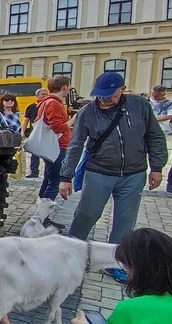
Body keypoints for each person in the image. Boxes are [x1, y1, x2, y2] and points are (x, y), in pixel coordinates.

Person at [59, 72, 167, 244]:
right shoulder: (87, 112)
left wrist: (157, 168)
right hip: (99, 172)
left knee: (125, 221)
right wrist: (66, 177)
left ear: (121, 90)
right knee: (87, 214)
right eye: (100, 95)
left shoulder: (140, 106)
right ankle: (71, 249)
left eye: (109, 95)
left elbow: (154, 136)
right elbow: (75, 146)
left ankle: (116, 260)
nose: (103, 99)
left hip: (133, 173)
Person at [36, 75, 72, 200]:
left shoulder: (47, 101)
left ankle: (40, 215)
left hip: (51, 145)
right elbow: (57, 127)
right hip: (56, 146)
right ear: (64, 87)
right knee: (54, 182)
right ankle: (43, 216)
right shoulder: (53, 103)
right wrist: (73, 120)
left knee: (48, 180)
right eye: (68, 87)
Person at [149, 85, 172, 194]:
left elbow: (170, 115)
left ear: (163, 94)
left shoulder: (169, 103)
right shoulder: (148, 102)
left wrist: (153, 120)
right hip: (146, 130)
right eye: (154, 94)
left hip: (162, 130)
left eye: (158, 95)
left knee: (160, 152)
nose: (155, 97)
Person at [23, 89, 49, 178]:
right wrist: (22, 131)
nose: (45, 96)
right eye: (43, 94)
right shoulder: (31, 107)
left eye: (46, 94)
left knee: (47, 154)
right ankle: (34, 172)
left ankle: (47, 172)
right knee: (34, 154)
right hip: (34, 133)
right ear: (37, 96)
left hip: (46, 134)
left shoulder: (49, 106)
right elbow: (26, 120)